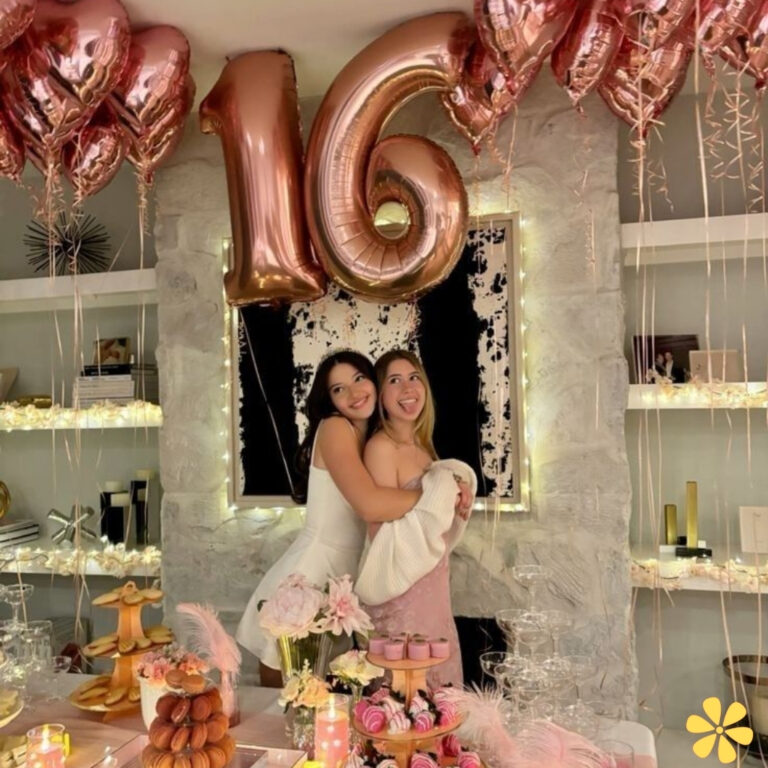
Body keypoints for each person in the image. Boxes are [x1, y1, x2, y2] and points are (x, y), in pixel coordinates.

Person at [237, 350, 448, 687]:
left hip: (344, 578)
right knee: (292, 692)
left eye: (359, 379)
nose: (353, 393)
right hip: (313, 573)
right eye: (338, 389)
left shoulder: (371, 437)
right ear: (329, 400)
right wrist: (438, 498)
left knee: (328, 696)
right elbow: (370, 505)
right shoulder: (336, 427)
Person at [356, 349, 475, 688]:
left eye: (414, 378)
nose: (408, 388)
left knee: (439, 685)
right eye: (394, 380)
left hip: (433, 586)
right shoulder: (381, 447)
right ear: (381, 394)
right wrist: (438, 498)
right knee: (407, 692)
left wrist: (455, 497)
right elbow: (381, 524)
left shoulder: (423, 448)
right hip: (402, 590)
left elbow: (432, 516)